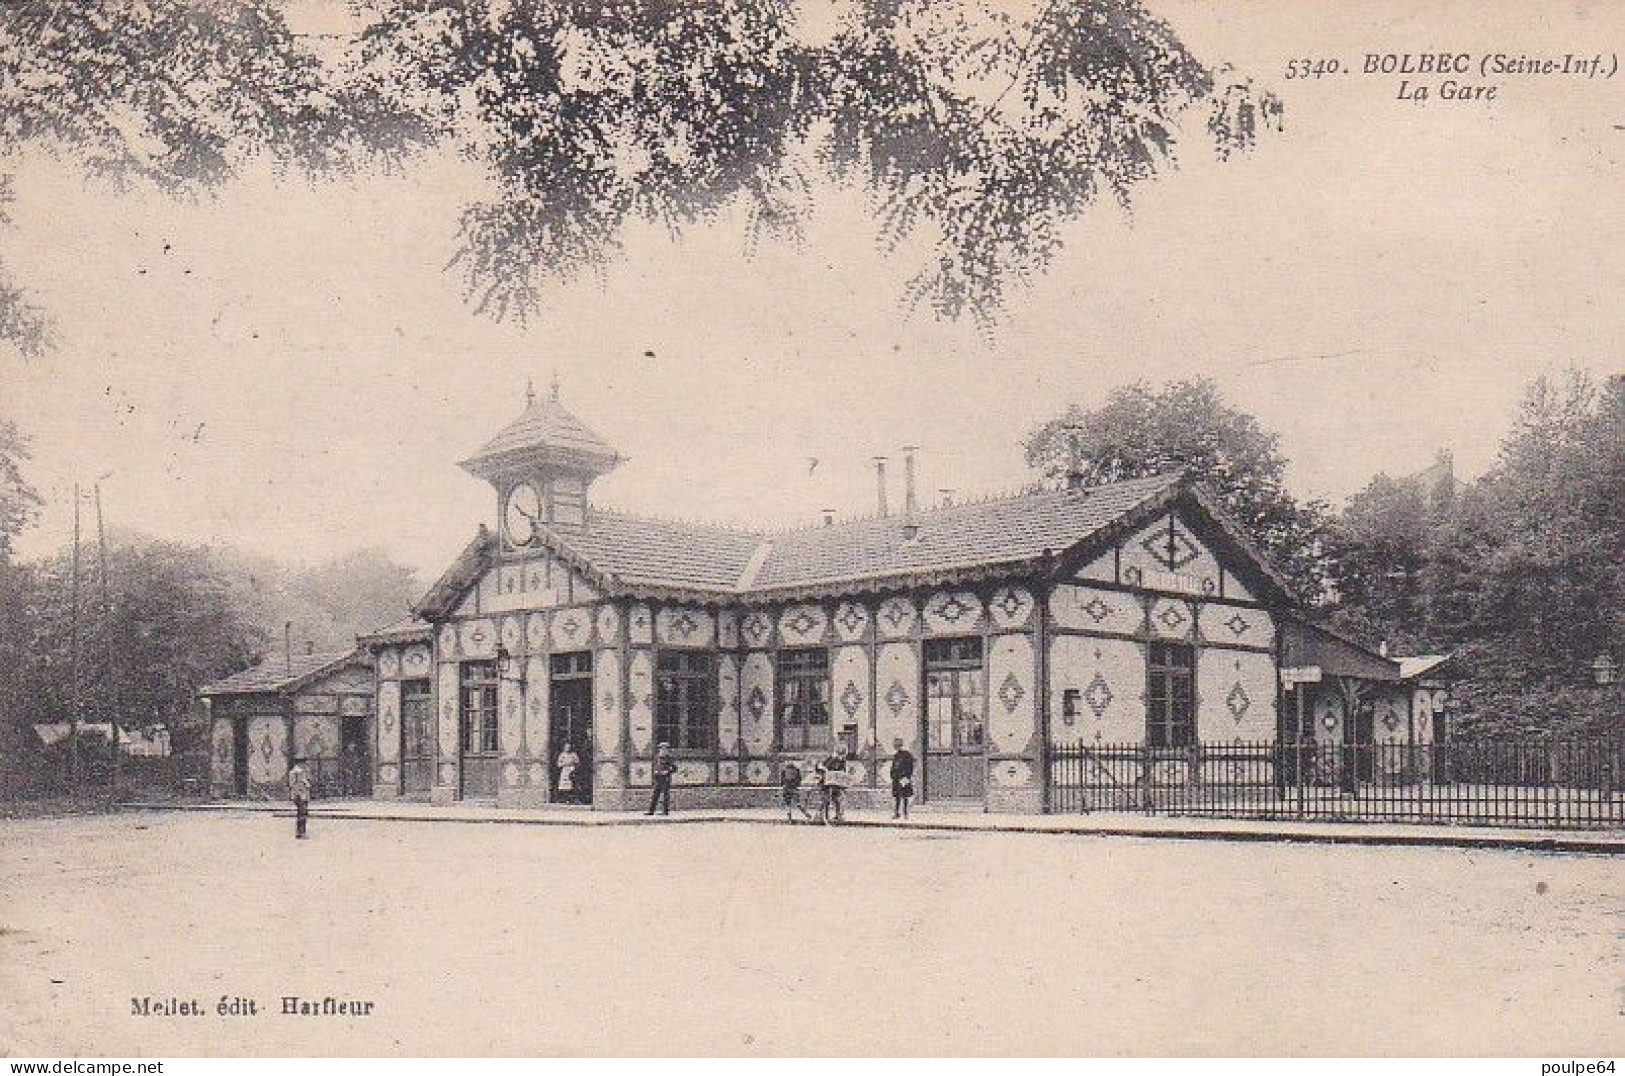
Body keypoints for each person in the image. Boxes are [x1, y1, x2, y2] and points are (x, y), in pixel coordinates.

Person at [817, 742, 850, 824]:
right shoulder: (832, 759)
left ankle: (838, 815)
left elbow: (843, 771)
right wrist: (825, 770)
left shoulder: (842, 761)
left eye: (843, 755)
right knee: (826, 799)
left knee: (836, 799)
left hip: (836, 784)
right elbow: (822, 767)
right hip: (827, 784)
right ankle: (822, 815)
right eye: (841, 755)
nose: (842, 757)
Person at [646, 742, 676, 816]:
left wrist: (667, 771)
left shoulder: (669, 758)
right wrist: (655, 772)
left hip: (666, 778)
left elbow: (674, 768)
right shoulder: (657, 757)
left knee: (665, 795)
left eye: (665, 749)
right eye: (661, 749)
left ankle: (665, 811)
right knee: (655, 794)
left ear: (667, 750)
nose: (663, 750)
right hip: (658, 778)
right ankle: (651, 811)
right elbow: (654, 766)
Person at [890, 736, 915, 819]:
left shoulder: (907, 755)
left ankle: (905, 813)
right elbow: (893, 767)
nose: (896, 747)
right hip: (896, 779)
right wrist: (893, 776)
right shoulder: (896, 756)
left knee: (904, 796)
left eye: (897, 745)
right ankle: (897, 813)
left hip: (903, 779)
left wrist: (906, 777)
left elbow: (909, 767)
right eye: (895, 746)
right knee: (897, 797)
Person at [287, 757, 312, 839]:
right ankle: (301, 832)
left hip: (302, 795)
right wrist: (299, 795)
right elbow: (293, 785)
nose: (305, 765)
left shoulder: (301, 772)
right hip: (300, 796)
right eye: (303, 763)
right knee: (302, 815)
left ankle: (300, 832)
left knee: (302, 814)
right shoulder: (295, 772)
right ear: (299, 763)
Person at [780, 758, 812, 822]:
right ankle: (806, 814)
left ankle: (790, 819)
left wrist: (784, 785)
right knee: (798, 803)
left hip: (787, 788)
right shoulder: (796, 770)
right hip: (794, 788)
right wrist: (796, 785)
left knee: (788, 804)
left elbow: (782, 780)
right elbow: (799, 779)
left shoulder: (784, 770)